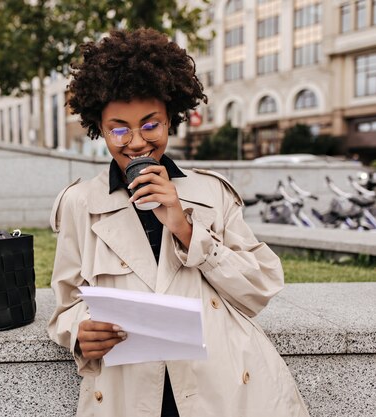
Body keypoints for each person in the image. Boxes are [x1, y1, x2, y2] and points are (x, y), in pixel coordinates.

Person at [47, 28, 310, 417]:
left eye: (151, 125)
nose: (136, 142)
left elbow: (260, 286)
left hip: (221, 390)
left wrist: (186, 228)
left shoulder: (212, 193)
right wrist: (80, 332)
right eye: (118, 128)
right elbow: (67, 304)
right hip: (128, 391)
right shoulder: (79, 203)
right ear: (99, 129)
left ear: (171, 119)